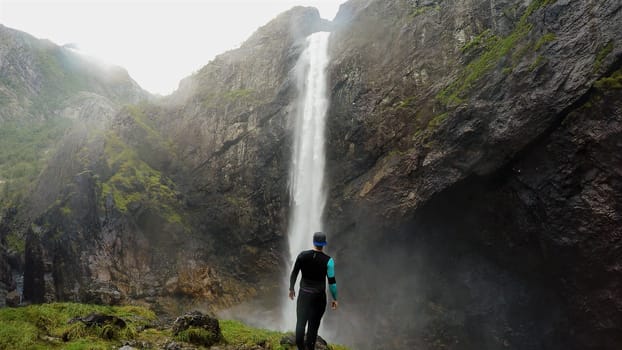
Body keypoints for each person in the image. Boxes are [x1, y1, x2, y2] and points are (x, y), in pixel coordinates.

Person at [289, 231, 338, 350]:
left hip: (304, 294)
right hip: (318, 298)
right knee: (313, 326)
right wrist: (335, 298)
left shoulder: (302, 255)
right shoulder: (329, 261)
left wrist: (291, 288)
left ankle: (300, 347)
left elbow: (294, 273)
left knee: (300, 323)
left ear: (313, 241)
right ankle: (310, 348)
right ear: (324, 244)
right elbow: (332, 282)